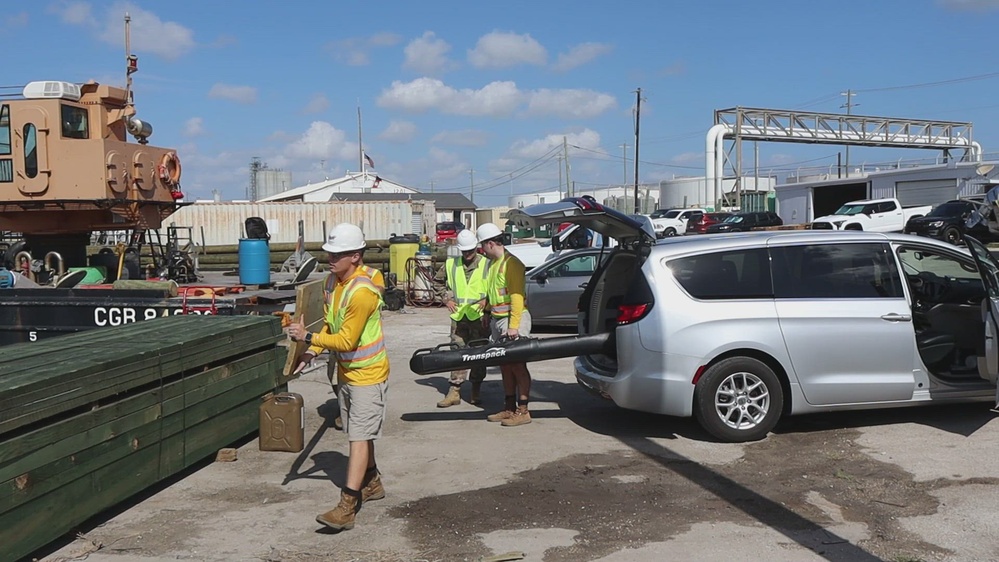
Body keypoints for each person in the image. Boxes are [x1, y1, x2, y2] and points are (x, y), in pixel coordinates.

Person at [290, 223, 389, 531]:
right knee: (360, 432)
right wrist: (310, 353)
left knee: (357, 438)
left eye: (337, 254)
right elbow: (332, 328)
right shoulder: (333, 283)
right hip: (348, 373)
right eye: (329, 253)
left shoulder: (362, 292)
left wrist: (307, 338)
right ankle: (372, 482)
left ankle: (347, 505)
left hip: (368, 375)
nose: (330, 258)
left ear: (356, 256)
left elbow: (346, 341)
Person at [476, 223, 534, 427]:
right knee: (505, 365)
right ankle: (509, 407)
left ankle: (523, 410)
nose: (481, 250)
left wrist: (514, 326)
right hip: (499, 320)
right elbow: (494, 292)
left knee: (517, 365)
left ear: (491, 243)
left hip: (512, 320)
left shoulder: (512, 264)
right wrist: (486, 312)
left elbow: (517, 297)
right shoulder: (493, 264)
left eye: (483, 245)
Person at [436, 229, 491, 408]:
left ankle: (476, 389)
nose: (467, 254)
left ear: (476, 247)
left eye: (470, 251)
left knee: (479, 353)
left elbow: (496, 284)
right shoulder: (451, 264)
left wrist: (487, 301)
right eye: (464, 251)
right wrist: (446, 298)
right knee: (457, 352)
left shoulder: (487, 264)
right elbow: (437, 282)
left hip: (479, 316)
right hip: (459, 316)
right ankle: (454, 391)